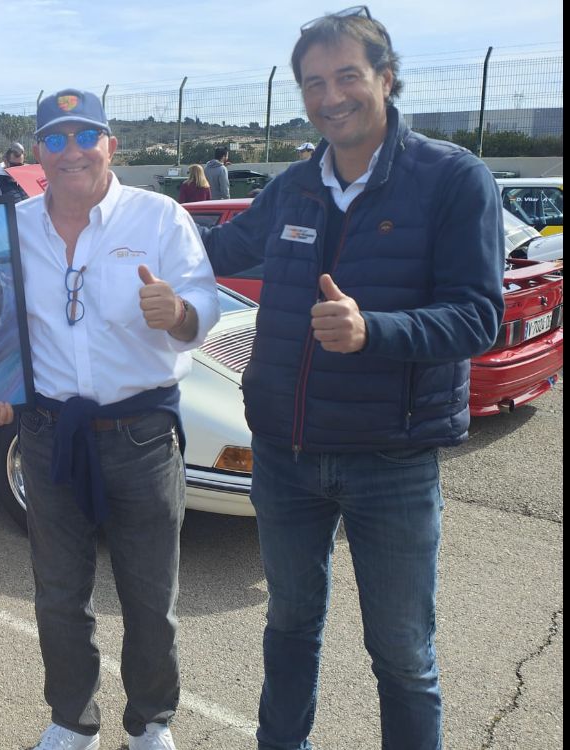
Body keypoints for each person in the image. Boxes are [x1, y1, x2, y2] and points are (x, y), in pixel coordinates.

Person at [200, 9, 504, 750]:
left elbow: (478, 317)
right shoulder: (296, 185)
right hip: (286, 454)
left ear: (385, 78)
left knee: (402, 654)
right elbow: (215, 247)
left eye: (346, 76)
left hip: (391, 459)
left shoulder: (454, 179)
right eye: (313, 82)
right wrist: (104, 223)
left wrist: (375, 331)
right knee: (290, 627)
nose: (329, 96)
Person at [0, 88, 220, 750]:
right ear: (39, 154)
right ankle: (71, 721)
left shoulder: (160, 217)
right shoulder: (15, 225)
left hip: (142, 437)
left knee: (150, 601)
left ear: (110, 144)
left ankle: (150, 723)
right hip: (48, 436)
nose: (72, 151)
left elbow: (203, 299)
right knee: (59, 596)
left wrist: (178, 313)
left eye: (85, 135)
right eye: (55, 139)